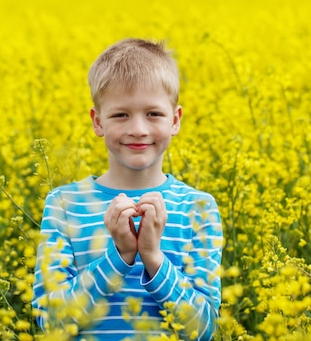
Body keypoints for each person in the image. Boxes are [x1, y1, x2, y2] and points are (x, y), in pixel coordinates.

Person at [32, 38, 223, 340]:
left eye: (154, 114)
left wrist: (152, 256)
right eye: (121, 115)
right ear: (98, 122)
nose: (138, 129)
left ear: (175, 120)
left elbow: (204, 330)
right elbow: (51, 323)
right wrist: (118, 257)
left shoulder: (198, 208)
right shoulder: (65, 204)